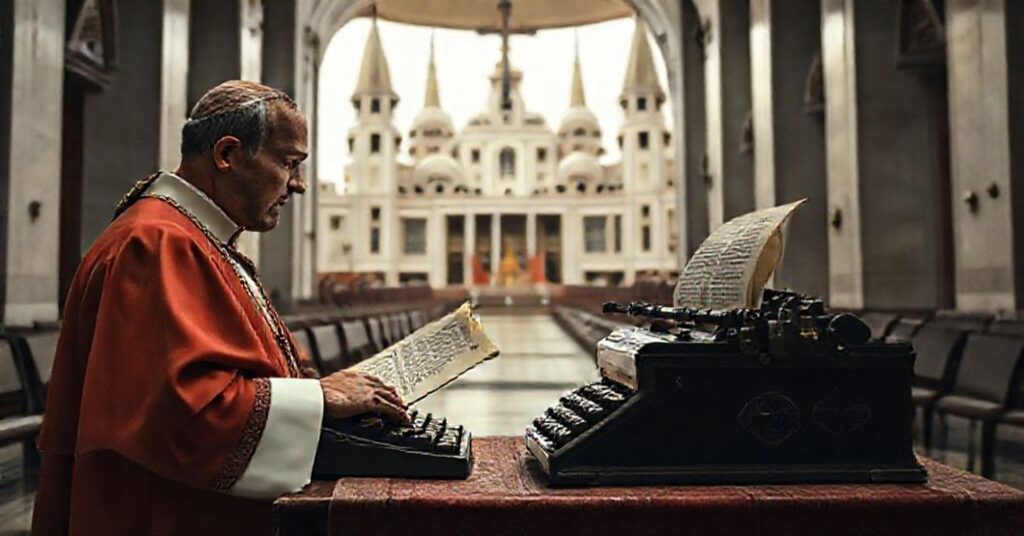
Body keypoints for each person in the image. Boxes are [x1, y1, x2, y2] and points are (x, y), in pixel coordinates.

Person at [32, 81, 409, 535]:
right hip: (163, 515)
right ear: (228, 154)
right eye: (289, 162)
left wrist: (320, 391)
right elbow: (182, 414)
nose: (300, 184)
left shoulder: (195, 237)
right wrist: (320, 398)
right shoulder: (156, 243)